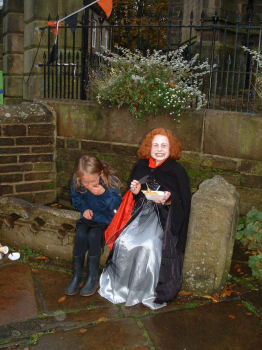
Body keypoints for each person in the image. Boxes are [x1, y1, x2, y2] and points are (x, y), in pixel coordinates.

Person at [98, 128, 191, 309]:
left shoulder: (177, 171)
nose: (159, 149)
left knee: (148, 245)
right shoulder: (141, 166)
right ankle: (123, 288)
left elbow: (184, 201)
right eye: (155, 145)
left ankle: (146, 290)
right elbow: (134, 196)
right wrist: (135, 191)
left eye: (164, 145)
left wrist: (169, 199)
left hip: (164, 218)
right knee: (124, 242)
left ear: (171, 148)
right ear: (149, 147)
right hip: (142, 213)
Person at [65, 155, 122, 297]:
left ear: (100, 173)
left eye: (93, 181)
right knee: (81, 234)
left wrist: (103, 193)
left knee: (93, 236)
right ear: (79, 177)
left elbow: (117, 205)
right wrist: (84, 209)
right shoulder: (77, 182)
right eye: (86, 182)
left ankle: (93, 277)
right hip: (88, 218)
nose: (90, 185)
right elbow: (76, 198)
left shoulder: (110, 181)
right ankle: (77, 276)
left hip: (104, 219)